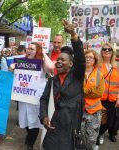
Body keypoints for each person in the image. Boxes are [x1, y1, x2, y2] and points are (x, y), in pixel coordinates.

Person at [39, 20, 86, 150]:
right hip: (53, 127)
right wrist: (43, 117)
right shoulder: (52, 80)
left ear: (71, 64)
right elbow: (44, 99)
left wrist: (73, 35)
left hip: (70, 127)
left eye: (63, 60)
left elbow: (80, 59)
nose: (58, 61)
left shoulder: (77, 76)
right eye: (58, 59)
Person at [10, 42, 54, 150]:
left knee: (34, 121)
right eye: (28, 48)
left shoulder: (42, 62)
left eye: (32, 49)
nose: (29, 50)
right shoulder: (22, 61)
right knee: (24, 120)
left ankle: (30, 144)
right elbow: (15, 76)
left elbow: (51, 67)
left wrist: (43, 52)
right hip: (24, 97)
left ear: (37, 51)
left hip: (36, 98)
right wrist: (11, 68)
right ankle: (29, 136)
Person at [81, 50, 105, 150]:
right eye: (86, 56)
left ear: (95, 60)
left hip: (94, 112)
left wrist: (84, 91)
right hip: (79, 110)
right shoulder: (78, 73)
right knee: (79, 136)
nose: (88, 59)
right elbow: (74, 91)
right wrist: (91, 90)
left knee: (91, 138)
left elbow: (99, 93)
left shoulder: (99, 74)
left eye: (91, 57)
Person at [97, 43, 119, 145]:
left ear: (112, 52)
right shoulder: (97, 66)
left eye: (109, 49)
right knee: (103, 121)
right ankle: (100, 134)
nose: (107, 51)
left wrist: (118, 98)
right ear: (101, 52)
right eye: (104, 49)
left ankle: (109, 133)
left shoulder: (116, 67)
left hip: (113, 99)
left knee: (111, 120)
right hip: (100, 99)